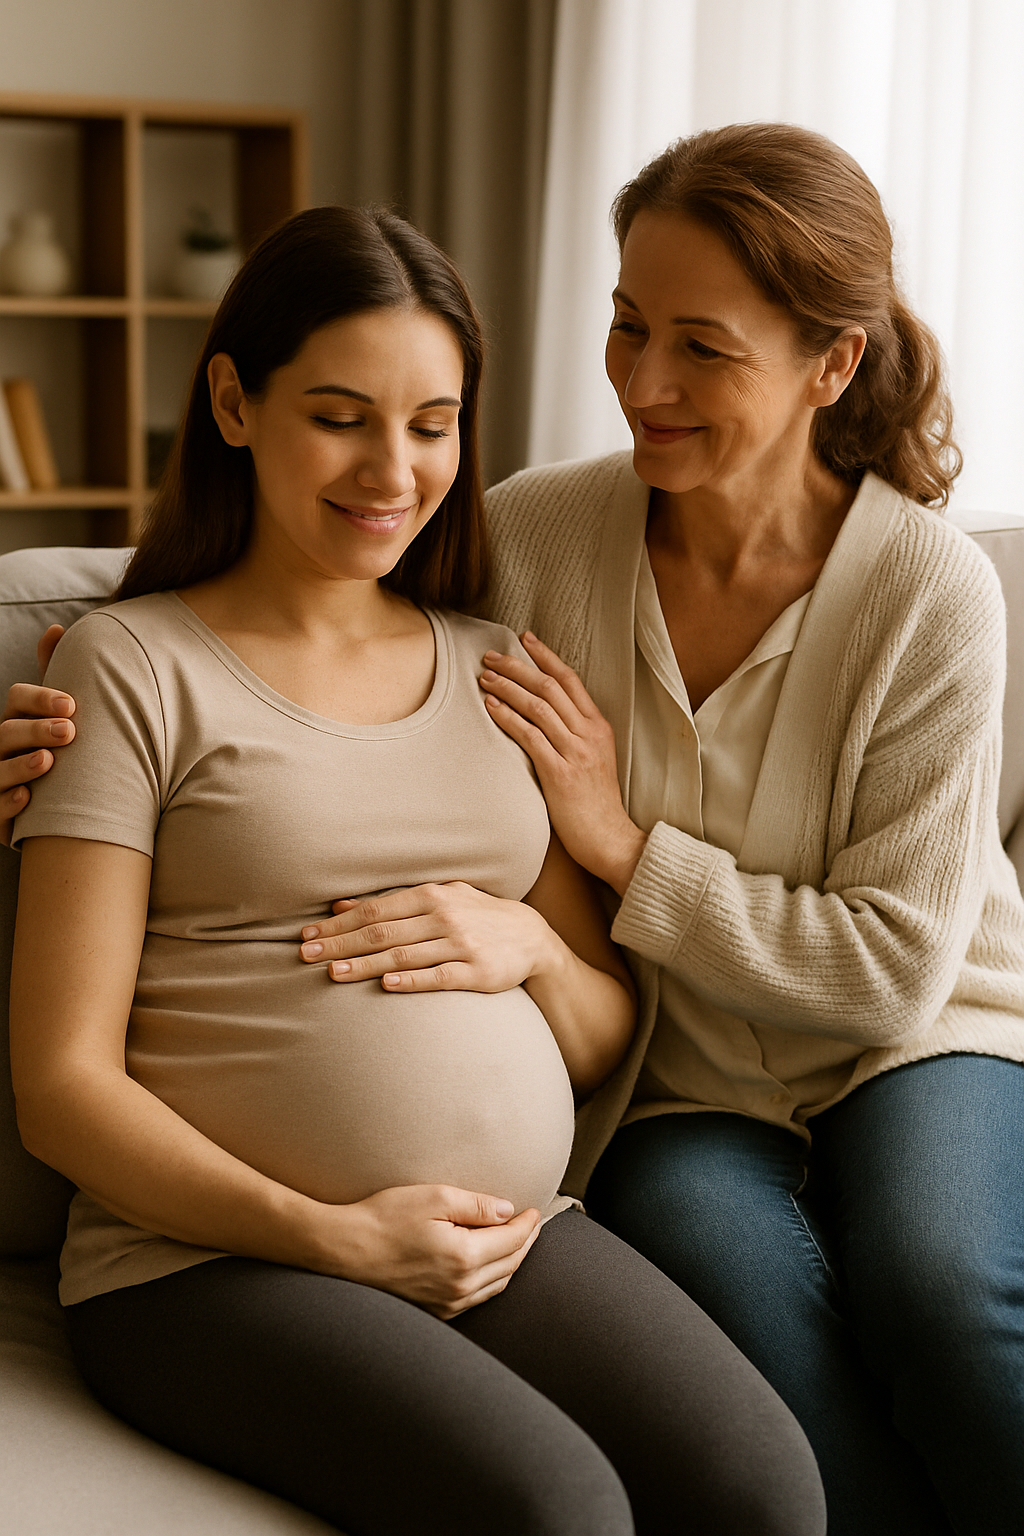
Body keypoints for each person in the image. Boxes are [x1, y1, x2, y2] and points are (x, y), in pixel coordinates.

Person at [3, 205, 824, 1536]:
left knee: (765, 1492)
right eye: (340, 417)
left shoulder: (497, 667)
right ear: (233, 403)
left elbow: (601, 1034)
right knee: (558, 1509)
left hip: (506, 1234)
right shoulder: (130, 667)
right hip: (203, 1264)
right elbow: (61, 1086)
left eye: (433, 425)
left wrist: (533, 948)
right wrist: (330, 1235)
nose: (392, 469)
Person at [460, 124, 1024, 1536]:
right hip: (676, 1070)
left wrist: (620, 844)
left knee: (941, 1286)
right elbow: (323, 608)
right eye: (627, 326)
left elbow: (890, 970)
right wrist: (117, 677)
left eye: (702, 349)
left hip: (923, 1035)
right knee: (737, 1298)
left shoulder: (931, 594)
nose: (642, 384)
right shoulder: (532, 538)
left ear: (833, 365)